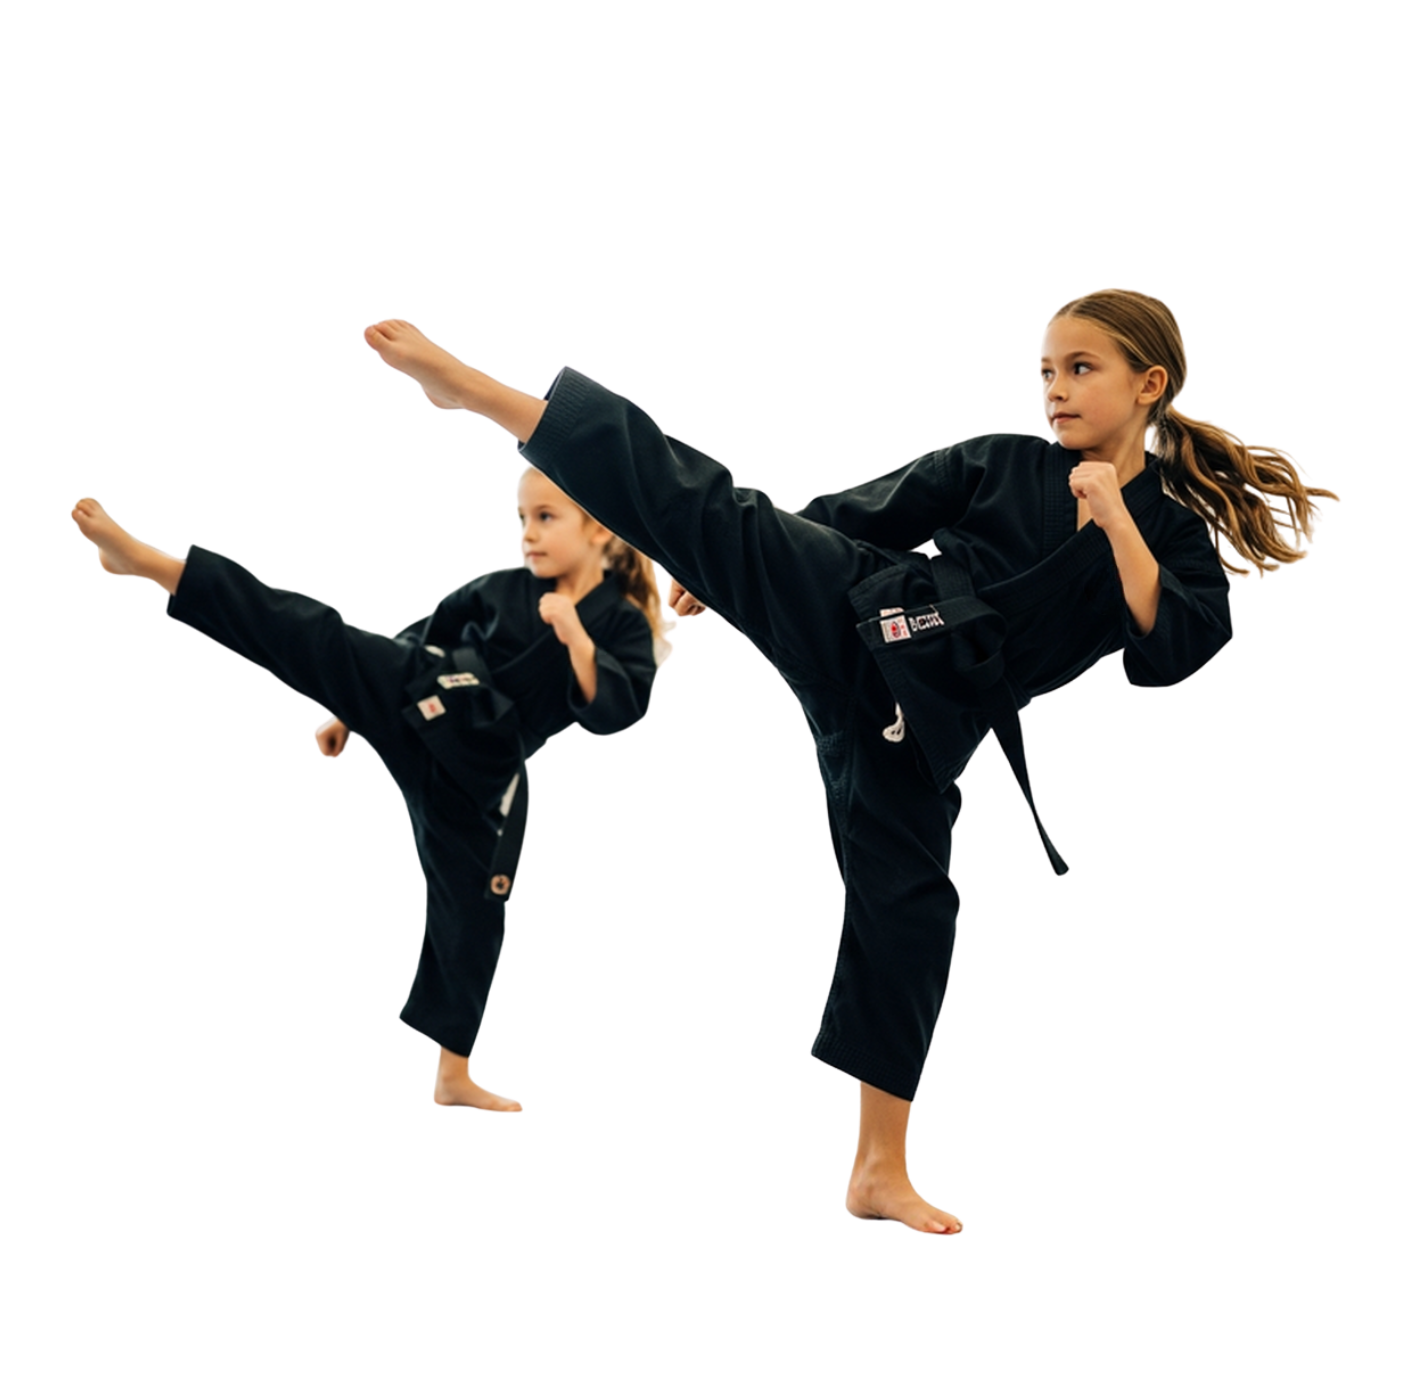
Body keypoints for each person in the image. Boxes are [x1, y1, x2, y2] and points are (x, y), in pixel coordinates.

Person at [360, 290, 1340, 1236]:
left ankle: (876, 1168)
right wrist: (732, 568)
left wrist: (1117, 521)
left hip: (923, 716)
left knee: (910, 900)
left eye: (1081, 368)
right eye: (1045, 369)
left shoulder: (1171, 529)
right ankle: (479, 391)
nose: (1055, 388)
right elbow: (858, 509)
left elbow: (1171, 652)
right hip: (858, 605)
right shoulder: (999, 460)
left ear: (1149, 385)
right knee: (712, 504)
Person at [68, 467, 672, 1112]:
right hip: (424, 693)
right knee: (314, 633)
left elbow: (617, 712)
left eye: (546, 517)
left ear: (599, 529)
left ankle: (453, 1076)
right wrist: (350, 712)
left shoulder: (622, 622)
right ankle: (154, 564)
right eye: (521, 518)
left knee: (473, 910)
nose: (527, 534)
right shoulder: (501, 590)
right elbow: (418, 638)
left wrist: (578, 640)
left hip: (483, 768)